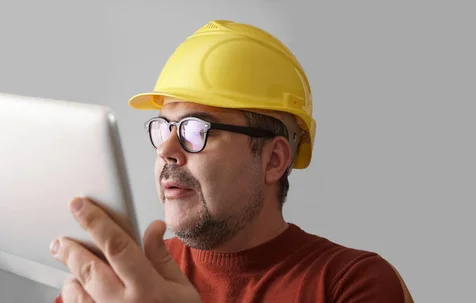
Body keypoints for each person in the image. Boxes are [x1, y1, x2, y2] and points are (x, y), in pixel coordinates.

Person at [50, 20, 414, 303]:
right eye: (164, 128)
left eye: (195, 130)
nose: (166, 151)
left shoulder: (349, 283)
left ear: (273, 160)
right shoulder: (130, 281)